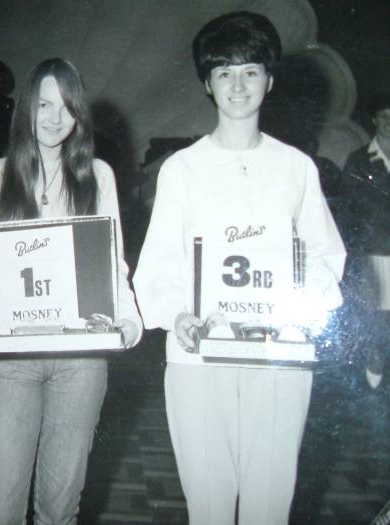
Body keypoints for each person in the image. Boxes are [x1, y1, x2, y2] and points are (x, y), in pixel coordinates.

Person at [133, 12, 345, 525]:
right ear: (208, 83)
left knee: (269, 506)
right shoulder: (182, 170)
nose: (238, 84)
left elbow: (325, 255)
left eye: (250, 70)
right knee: (208, 506)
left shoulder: (296, 168)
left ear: (269, 81)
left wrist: (301, 310)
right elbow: (158, 262)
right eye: (224, 72)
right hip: (199, 358)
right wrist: (178, 315)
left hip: (277, 357)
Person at [0, 57, 142, 524]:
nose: (55, 118)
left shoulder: (99, 176)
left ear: (80, 116)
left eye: (67, 107)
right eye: (44, 105)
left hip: (81, 360)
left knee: (60, 507)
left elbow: (112, 260)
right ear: (25, 109)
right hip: (11, 359)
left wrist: (128, 315)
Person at [339, 92, 390, 389]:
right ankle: (374, 380)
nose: (389, 124)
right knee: (374, 324)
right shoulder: (359, 161)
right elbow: (348, 214)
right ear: (374, 120)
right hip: (372, 256)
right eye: (384, 117)